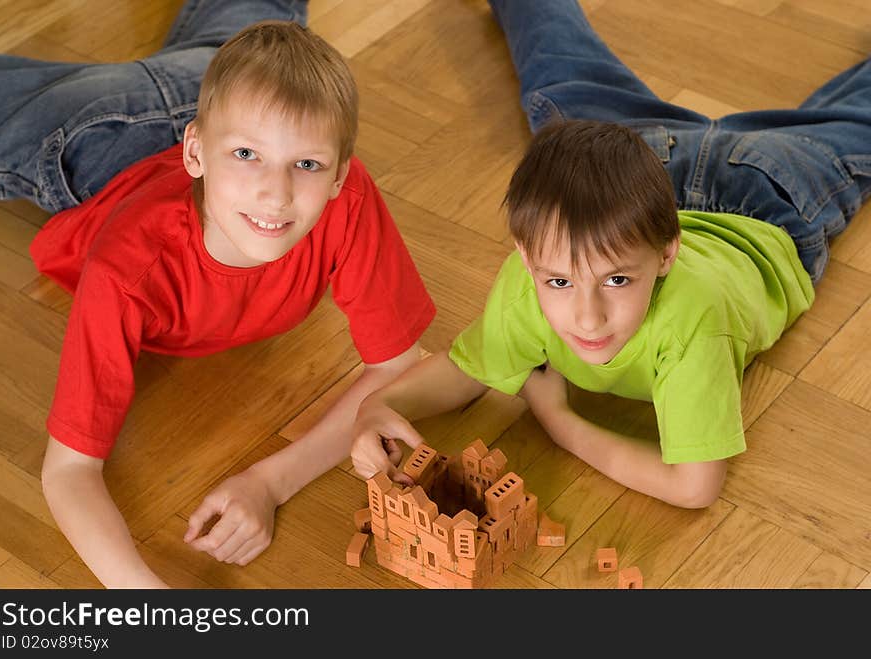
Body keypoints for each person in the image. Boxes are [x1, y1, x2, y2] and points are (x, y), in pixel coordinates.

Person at [350, 0, 870, 509]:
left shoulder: (693, 324)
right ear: (527, 262)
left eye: (616, 282)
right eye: (558, 283)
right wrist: (379, 405)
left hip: (763, 198)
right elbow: (468, 371)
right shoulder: (532, 276)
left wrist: (561, 421)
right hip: (637, 172)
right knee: (559, 66)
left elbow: (695, 488)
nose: (587, 315)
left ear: (668, 256)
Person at [0, 4, 435, 588]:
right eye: (248, 157)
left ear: (337, 175)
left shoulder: (346, 199)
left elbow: (400, 366)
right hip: (101, 140)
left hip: (231, 87)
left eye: (306, 164)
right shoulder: (126, 270)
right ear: (195, 153)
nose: (275, 195)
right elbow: (68, 471)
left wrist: (270, 481)